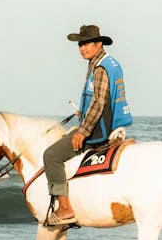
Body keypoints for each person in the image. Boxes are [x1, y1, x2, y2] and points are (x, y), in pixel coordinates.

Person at [43, 24, 133, 226]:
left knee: (51, 155)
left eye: (86, 44)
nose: (82, 48)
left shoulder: (100, 67)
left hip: (101, 130)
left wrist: (83, 131)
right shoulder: (111, 63)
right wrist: (82, 113)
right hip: (115, 124)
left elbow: (100, 101)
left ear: (98, 43)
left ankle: (65, 209)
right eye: (80, 45)